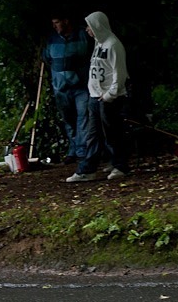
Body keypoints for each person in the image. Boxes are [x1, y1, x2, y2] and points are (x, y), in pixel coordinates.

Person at [66, 11, 130, 182]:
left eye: (90, 26)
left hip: (109, 99)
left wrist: (110, 95)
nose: (87, 29)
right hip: (95, 97)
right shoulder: (98, 44)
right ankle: (89, 169)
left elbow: (119, 73)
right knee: (93, 134)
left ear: (97, 26)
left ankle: (120, 165)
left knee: (112, 133)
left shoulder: (113, 45)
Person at [42, 12, 91, 164]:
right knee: (69, 120)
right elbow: (47, 59)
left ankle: (81, 151)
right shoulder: (52, 39)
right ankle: (74, 149)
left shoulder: (83, 35)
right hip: (61, 88)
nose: (54, 26)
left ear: (66, 21)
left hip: (81, 86)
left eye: (57, 22)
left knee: (83, 117)